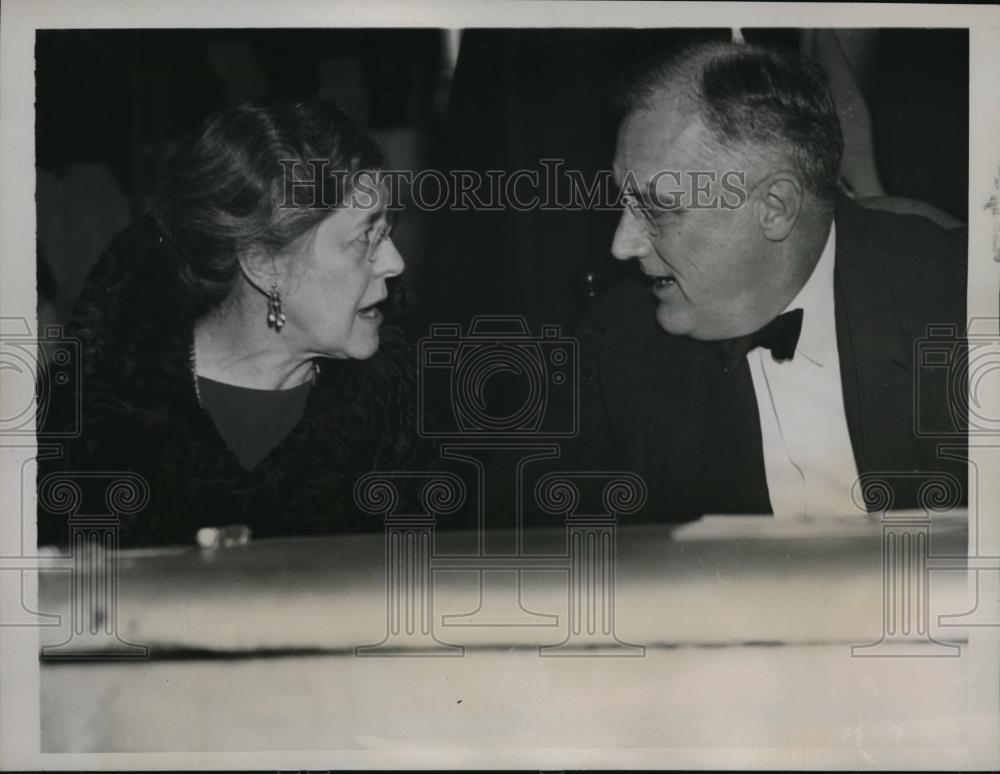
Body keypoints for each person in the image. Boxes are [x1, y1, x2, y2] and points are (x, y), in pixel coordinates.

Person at [570, 41, 967, 522]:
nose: (622, 244)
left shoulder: (960, 300)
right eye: (624, 203)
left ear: (775, 207)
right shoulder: (611, 347)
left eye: (656, 208)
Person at [38, 99, 424, 547]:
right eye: (365, 237)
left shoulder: (399, 418)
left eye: (388, 230)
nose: (394, 262)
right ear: (264, 265)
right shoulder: (90, 430)